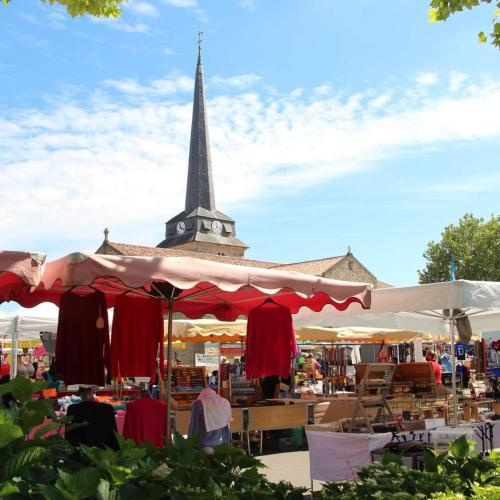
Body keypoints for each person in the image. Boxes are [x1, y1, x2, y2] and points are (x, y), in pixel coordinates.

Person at [188, 388, 231, 453]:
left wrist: (189, 447)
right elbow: (226, 429)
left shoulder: (197, 404)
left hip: (201, 447)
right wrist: (226, 447)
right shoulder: (225, 403)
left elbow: (193, 427)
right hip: (218, 446)